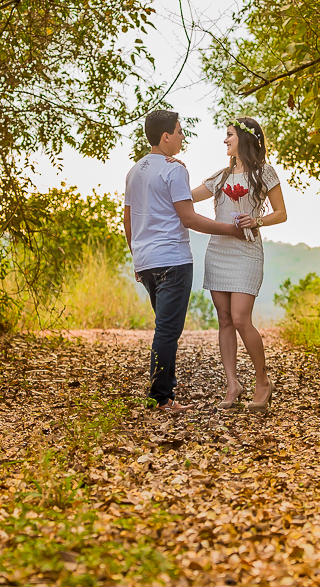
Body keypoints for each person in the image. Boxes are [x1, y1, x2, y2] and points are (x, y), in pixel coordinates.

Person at [123, 110, 243, 413]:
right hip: (172, 260)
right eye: (179, 131)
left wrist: (137, 258)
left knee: (164, 327)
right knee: (167, 331)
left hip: (147, 262)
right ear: (166, 136)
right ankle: (160, 398)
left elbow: (128, 220)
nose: (182, 136)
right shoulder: (174, 170)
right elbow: (189, 218)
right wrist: (230, 230)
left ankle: (166, 390)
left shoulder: (134, 171)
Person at [181, 117, 287, 413]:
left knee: (241, 319)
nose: (225, 140)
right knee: (225, 320)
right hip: (218, 252)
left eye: (229, 135)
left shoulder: (265, 172)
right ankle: (232, 385)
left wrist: (257, 220)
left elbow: (281, 213)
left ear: (243, 137)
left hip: (246, 251)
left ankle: (263, 381)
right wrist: (173, 172)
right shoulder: (221, 176)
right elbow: (187, 197)